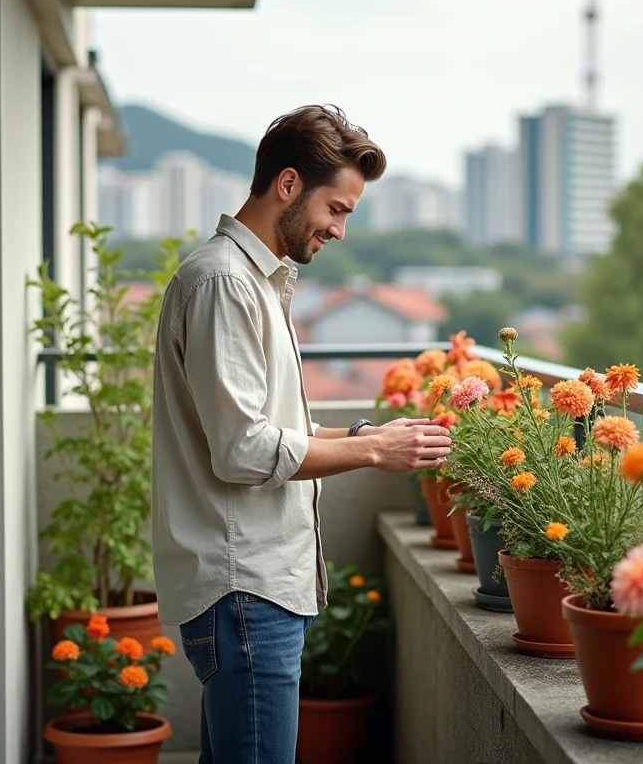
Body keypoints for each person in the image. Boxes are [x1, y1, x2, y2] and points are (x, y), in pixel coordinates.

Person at [151, 105, 452, 763]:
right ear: (288, 185)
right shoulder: (225, 283)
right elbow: (243, 450)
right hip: (244, 590)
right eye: (336, 209)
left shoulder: (254, 282)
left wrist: (370, 430)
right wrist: (375, 450)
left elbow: (266, 427)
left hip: (252, 591)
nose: (340, 230)